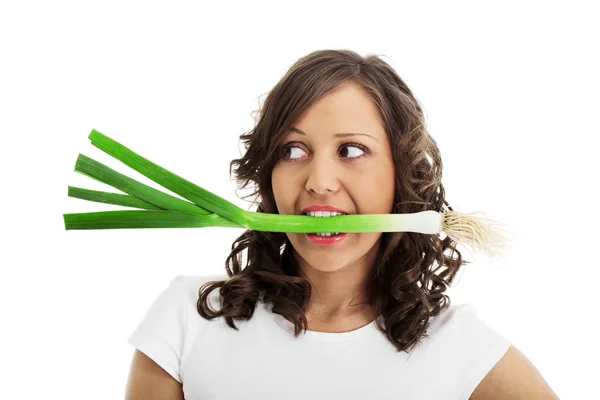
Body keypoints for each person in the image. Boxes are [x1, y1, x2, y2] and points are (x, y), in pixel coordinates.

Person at [124, 49, 559, 399]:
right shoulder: (187, 319)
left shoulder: (461, 349)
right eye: (293, 150)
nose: (319, 182)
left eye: (351, 150)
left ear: (400, 173)